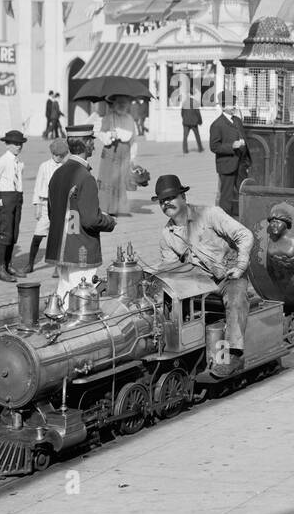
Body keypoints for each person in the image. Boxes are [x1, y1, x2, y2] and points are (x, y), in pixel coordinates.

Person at [156, 173, 255, 379]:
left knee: (236, 297)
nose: (167, 204)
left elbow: (245, 235)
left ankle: (234, 355)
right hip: (200, 284)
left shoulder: (210, 214)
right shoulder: (167, 235)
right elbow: (171, 270)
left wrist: (240, 265)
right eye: (162, 201)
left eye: (171, 198)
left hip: (229, 276)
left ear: (183, 197)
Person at [46, 123, 117, 299]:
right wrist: (109, 221)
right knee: (81, 297)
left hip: (60, 247)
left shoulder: (58, 173)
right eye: (91, 140)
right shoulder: (85, 177)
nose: (94, 144)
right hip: (80, 248)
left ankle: (59, 322)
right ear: (85, 143)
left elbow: (51, 212)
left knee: (64, 290)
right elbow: (91, 219)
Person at [0, 128, 28, 281]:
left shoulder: (17, 162)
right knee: (5, 233)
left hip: (16, 198)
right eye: (14, 143)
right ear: (7, 144)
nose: (18, 146)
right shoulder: (1, 162)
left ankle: (8, 264)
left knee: (13, 233)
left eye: (20, 144)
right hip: (4, 198)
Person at [27, 137, 69, 274]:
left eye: (61, 156)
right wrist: (37, 205)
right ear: (51, 154)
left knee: (58, 236)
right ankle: (30, 263)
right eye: (55, 155)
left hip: (60, 205)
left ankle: (58, 266)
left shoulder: (66, 166)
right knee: (38, 234)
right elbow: (38, 186)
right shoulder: (44, 166)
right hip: (45, 204)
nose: (58, 158)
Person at [96, 94, 138, 217]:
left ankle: (120, 208)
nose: (121, 105)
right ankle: (105, 207)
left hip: (125, 151)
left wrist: (133, 156)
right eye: (119, 103)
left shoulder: (130, 119)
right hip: (110, 150)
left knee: (121, 179)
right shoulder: (108, 118)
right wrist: (109, 135)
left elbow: (133, 138)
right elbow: (101, 134)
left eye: (124, 103)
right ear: (114, 104)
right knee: (108, 179)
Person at [208, 97, 250, 217]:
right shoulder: (216, 125)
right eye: (231, 104)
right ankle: (224, 221)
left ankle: (246, 217)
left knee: (245, 192)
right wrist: (232, 146)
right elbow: (214, 147)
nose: (234, 107)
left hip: (241, 164)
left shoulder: (237, 120)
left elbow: (243, 137)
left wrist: (246, 157)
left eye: (234, 104)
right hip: (227, 165)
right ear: (223, 107)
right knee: (226, 196)